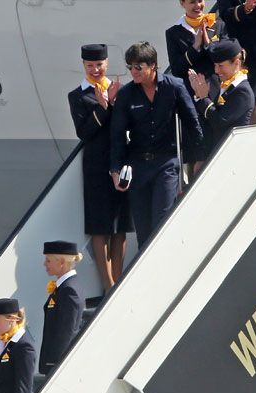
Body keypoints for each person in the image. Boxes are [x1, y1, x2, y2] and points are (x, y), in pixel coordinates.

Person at [110, 42, 206, 248]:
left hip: (166, 163)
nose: (133, 72)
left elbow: (192, 123)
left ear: (152, 65)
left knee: (162, 221)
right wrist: (115, 169)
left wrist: (199, 158)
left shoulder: (174, 86)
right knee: (143, 229)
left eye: (138, 67)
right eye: (130, 67)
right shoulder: (126, 95)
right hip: (138, 166)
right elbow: (117, 134)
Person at [68, 43, 133, 291]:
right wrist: (103, 107)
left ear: (107, 64)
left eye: (99, 65)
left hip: (121, 161)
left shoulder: (123, 92)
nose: (95, 69)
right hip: (96, 165)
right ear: (84, 66)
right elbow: (84, 132)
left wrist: (115, 102)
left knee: (120, 226)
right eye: (90, 65)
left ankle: (118, 280)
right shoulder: (78, 96)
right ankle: (108, 286)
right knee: (100, 226)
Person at [166, 0, 228, 158]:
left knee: (217, 144)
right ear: (182, 4)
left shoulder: (217, 25)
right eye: (192, 2)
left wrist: (208, 44)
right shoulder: (173, 32)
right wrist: (195, 48)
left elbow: (225, 58)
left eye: (200, 1)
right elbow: (177, 69)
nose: (198, 6)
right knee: (195, 150)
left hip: (216, 91)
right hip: (190, 95)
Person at [218, 0, 256, 124]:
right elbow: (225, 15)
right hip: (236, 54)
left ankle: (251, 136)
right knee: (234, 97)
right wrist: (244, 9)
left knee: (255, 98)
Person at [189, 38, 255, 149]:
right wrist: (198, 94)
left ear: (236, 63)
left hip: (232, 150)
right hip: (218, 148)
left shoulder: (243, 91)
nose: (216, 71)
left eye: (220, 66)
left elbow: (219, 121)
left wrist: (203, 97)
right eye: (215, 65)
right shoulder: (226, 85)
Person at [39, 241, 85, 375]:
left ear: (61, 262)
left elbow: (67, 331)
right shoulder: (66, 286)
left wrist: (54, 365)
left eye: (48, 260)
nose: (44, 264)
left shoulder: (69, 289)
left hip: (58, 364)